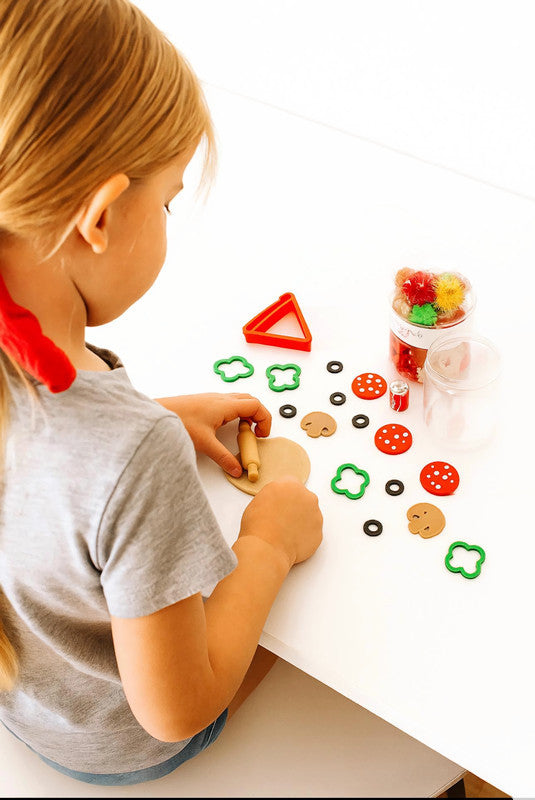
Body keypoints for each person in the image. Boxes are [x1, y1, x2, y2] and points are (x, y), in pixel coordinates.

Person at [0, 0, 323, 786]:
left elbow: (47, 480)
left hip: (28, 703)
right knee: (335, 648)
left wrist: (160, 415)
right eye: (170, 199)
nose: (171, 217)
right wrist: (268, 546)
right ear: (101, 217)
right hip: (120, 746)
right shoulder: (125, 455)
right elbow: (177, 708)